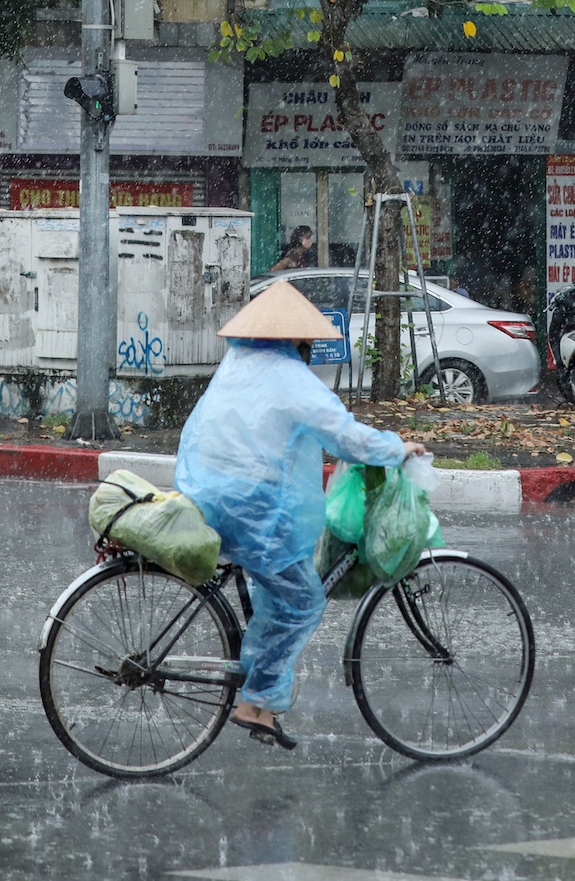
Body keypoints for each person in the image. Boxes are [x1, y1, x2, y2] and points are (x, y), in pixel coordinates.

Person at [174, 278, 425, 751]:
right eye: (307, 343)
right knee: (303, 602)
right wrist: (396, 448)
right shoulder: (292, 381)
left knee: (277, 592)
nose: (309, 350)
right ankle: (254, 701)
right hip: (254, 511)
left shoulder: (237, 364)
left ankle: (262, 695)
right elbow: (344, 436)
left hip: (209, 495)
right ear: (298, 340)